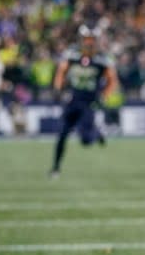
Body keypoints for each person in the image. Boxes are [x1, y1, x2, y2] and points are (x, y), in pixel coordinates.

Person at [49, 25, 117, 178]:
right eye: (87, 39)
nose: (89, 43)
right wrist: (58, 88)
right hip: (73, 100)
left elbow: (112, 81)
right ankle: (55, 168)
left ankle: (96, 133)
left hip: (89, 102)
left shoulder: (103, 59)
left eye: (92, 39)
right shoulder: (72, 54)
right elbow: (61, 71)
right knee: (62, 134)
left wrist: (104, 95)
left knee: (86, 141)